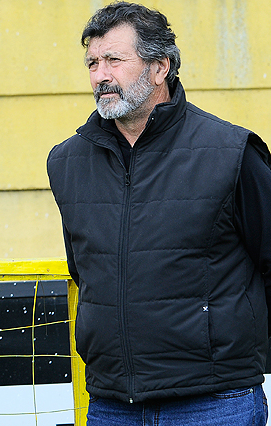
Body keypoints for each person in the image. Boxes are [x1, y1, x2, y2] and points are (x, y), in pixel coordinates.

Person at [47, 2, 271, 425]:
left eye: (114, 59)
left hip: (214, 401)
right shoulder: (67, 161)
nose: (100, 75)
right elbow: (86, 269)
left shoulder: (231, 152)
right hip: (112, 403)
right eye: (92, 62)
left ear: (159, 67)